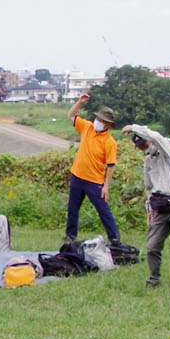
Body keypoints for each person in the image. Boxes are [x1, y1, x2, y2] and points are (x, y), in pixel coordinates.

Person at [124, 123, 170, 290]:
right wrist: (149, 209)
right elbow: (149, 189)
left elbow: (155, 137)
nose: (143, 149)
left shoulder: (167, 149)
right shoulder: (148, 162)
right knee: (152, 246)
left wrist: (133, 127)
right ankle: (154, 279)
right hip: (160, 205)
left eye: (144, 144)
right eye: (139, 147)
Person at [64, 94, 121, 249]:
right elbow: (71, 115)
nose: (99, 122)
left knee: (103, 210)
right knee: (72, 209)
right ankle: (70, 236)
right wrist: (80, 102)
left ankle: (115, 238)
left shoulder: (109, 142)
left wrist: (106, 186)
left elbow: (111, 165)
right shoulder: (87, 127)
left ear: (109, 124)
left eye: (103, 121)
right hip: (77, 175)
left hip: (94, 181)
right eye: (99, 119)